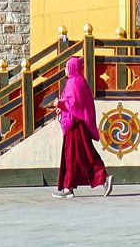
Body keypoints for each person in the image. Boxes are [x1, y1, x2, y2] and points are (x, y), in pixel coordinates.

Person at [51, 54, 112, 197]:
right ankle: (72, 187)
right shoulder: (80, 81)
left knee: (74, 156)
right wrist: (62, 106)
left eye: (67, 67)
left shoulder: (74, 82)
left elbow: (73, 104)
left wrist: (58, 104)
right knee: (83, 155)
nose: (65, 70)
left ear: (72, 67)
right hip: (78, 124)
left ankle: (70, 188)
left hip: (76, 125)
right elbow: (73, 102)